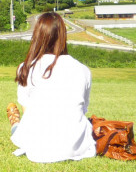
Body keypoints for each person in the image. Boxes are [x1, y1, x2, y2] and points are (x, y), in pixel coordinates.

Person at [7, 12, 97, 163]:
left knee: (18, 129)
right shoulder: (82, 70)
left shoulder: (26, 68)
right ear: (63, 35)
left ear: (37, 35)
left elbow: (27, 111)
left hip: (39, 148)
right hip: (76, 145)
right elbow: (82, 109)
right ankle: (15, 123)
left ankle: (14, 122)